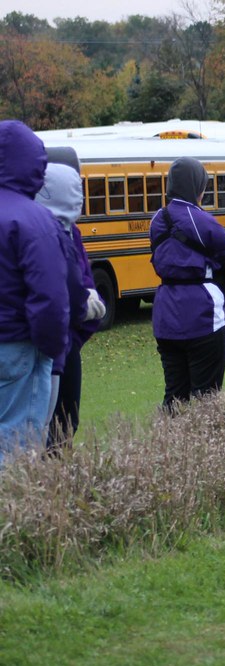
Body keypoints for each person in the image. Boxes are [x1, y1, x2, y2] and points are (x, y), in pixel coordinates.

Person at [150, 157, 225, 411]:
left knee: (174, 396)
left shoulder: (156, 220)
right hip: (201, 313)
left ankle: (167, 446)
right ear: (197, 186)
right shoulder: (203, 220)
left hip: (165, 314)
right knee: (207, 397)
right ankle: (206, 448)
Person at [0, 120, 69, 458]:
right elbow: (50, 299)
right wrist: (52, 347)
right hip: (17, 346)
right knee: (16, 450)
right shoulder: (34, 219)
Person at [35, 155, 104, 448]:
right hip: (54, 343)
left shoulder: (64, 230)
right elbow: (71, 287)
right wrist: (88, 305)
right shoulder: (53, 234)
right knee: (54, 426)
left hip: (56, 339)